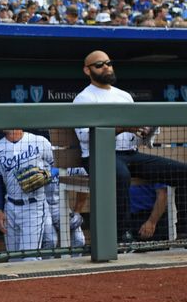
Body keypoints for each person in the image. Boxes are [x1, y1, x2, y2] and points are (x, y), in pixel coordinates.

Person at [73, 50, 187, 241]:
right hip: (98, 156)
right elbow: (85, 136)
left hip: (130, 155)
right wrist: (122, 128)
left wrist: (145, 132)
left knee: (182, 172)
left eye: (108, 63)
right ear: (87, 70)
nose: (106, 67)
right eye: (99, 65)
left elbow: (135, 139)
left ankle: (183, 231)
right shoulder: (84, 98)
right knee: (121, 175)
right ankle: (121, 235)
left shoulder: (124, 96)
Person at [0, 129, 56, 261]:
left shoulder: (40, 141)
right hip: (10, 207)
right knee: (14, 259)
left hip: (34, 206)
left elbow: (58, 166)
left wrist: (47, 174)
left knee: (30, 258)